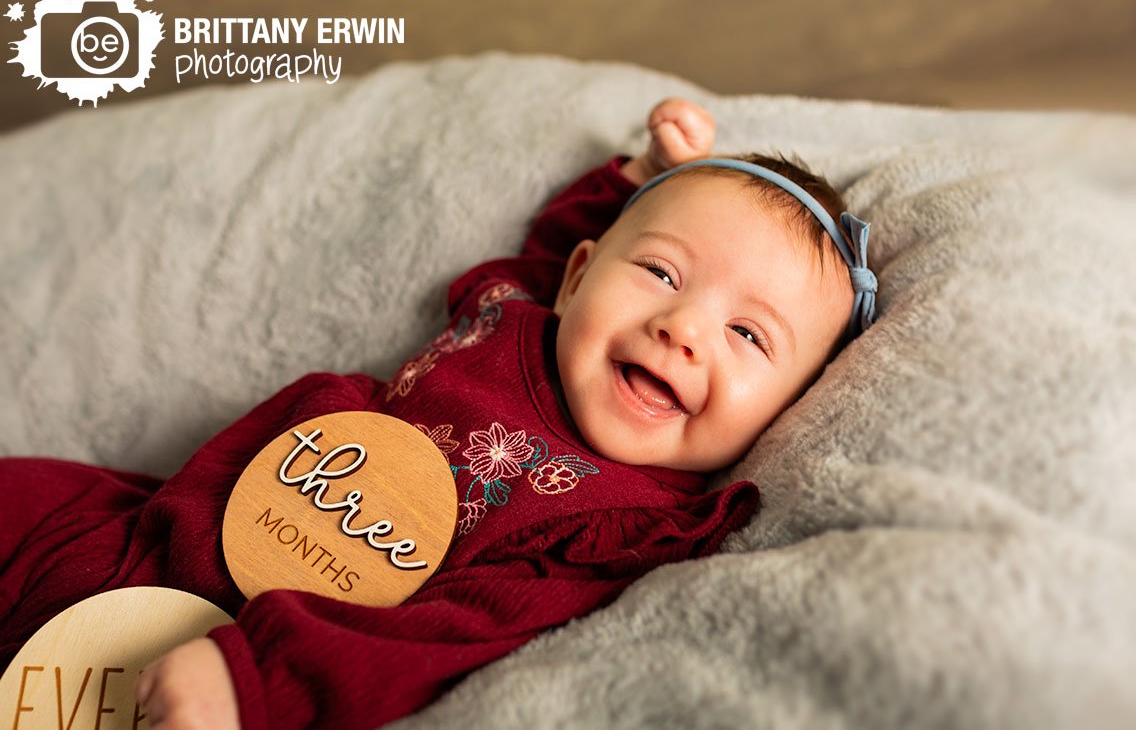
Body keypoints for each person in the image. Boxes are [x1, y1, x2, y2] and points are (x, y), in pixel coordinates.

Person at [0, 98, 877, 728]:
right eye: (663, 273)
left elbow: (448, 632)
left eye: (748, 335)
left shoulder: (620, 522)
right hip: (153, 526)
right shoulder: (521, 311)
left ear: (791, 407)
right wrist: (640, 177)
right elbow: (569, 240)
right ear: (577, 279)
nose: (682, 327)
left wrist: (255, 678)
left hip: (244, 638)